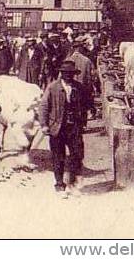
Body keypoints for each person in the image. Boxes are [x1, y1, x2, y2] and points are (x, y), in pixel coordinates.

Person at [39, 60, 88, 194]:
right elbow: (43, 106)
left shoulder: (79, 88)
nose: (68, 76)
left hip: (74, 127)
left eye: (71, 74)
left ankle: (72, 184)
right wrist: (44, 125)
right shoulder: (52, 87)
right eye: (66, 73)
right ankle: (59, 184)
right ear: (61, 74)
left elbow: (85, 105)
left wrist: (83, 121)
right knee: (58, 156)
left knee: (77, 155)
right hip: (57, 127)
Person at [69, 37, 96, 116]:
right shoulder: (87, 61)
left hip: (71, 88)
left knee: (72, 107)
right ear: (80, 48)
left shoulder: (68, 60)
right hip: (83, 87)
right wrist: (91, 88)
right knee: (83, 107)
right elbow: (91, 76)